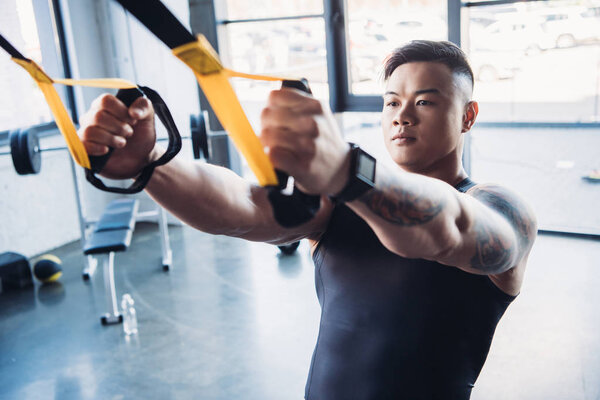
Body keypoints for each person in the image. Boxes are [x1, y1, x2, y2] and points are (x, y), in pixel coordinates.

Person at [79, 40, 537, 399]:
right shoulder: (341, 202)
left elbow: (450, 229)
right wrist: (153, 162)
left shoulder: (501, 210)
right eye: (392, 102)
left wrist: (346, 168)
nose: (402, 117)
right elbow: (243, 207)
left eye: (425, 102)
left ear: (468, 116)